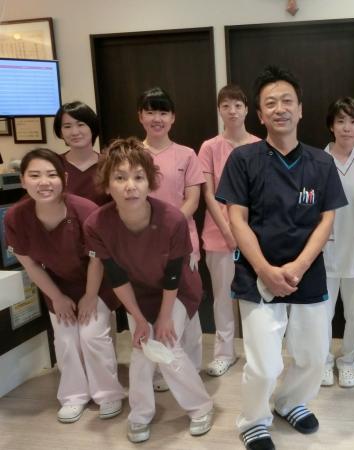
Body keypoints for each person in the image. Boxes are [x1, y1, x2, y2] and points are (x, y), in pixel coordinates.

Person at [216, 66, 347, 450]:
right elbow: (236, 219)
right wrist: (265, 270)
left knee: (314, 356)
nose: (280, 109)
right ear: (260, 114)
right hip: (257, 275)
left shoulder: (321, 163)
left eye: (287, 101)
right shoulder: (243, 159)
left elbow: (327, 219)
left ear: (300, 109)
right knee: (264, 364)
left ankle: (290, 401)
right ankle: (254, 419)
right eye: (270, 103)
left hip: (307, 273)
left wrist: (299, 266)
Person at [84, 138, 213, 443]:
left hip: (178, 290)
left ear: (150, 182)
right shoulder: (97, 224)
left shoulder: (172, 219)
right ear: (107, 185)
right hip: (137, 292)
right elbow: (116, 276)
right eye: (120, 178)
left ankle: (200, 407)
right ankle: (141, 415)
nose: (130, 186)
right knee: (142, 347)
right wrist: (140, 319)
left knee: (165, 344)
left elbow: (174, 274)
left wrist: (165, 317)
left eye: (138, 177)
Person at [4, 148, 124, 424]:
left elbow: (97, 259)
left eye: (51, 175)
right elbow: (30, 264)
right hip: (57, 284)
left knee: (92, 335)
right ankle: (73, 396)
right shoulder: (16, 217)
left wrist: (90, 296)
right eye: (35, 175)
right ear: (22, 180)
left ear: (64, 179)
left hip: (98, 282)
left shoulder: (85, 210)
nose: (44, 182)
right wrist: (57, 297)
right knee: (66, 338)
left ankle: (108, 394)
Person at [137, 87, 205, 388]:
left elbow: (193, 199)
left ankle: (191, 367)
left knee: (187, 306)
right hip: (140, 245)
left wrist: (168, 228)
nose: (157, 118)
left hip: (182, 241)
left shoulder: (187, 154)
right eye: (150, 111)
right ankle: (157, 368)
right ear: (140, 116)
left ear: (173, 117)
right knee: (151, 307)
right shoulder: (133, 155)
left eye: (163, 112)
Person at [198, 84, 261, 377]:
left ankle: (256, 353)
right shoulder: (209, 147)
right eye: (226, 106)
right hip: (218, 233)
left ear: (247, 109)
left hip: (253, 234)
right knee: (222, 296)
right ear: (219, 110)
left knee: (253, 296)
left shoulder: (260, 145)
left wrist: (245, 231)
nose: (232, 111)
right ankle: (224, 353)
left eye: (237, 105)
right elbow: (208, 193)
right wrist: (226, 230)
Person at [321, 97, 354, 388]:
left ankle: (348, 362)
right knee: (323, 314)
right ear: (331, 125)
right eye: (340, 121)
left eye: (353, 121)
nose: (347, 127)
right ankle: (325, 362)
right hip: (325, 249)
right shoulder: (317, 161)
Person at [53, 101, 111, 205]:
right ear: (61, 133)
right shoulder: (54, 164)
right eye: (67, 126)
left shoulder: (110, 163)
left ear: (92, 128)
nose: (75, 132)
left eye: (80, 125)